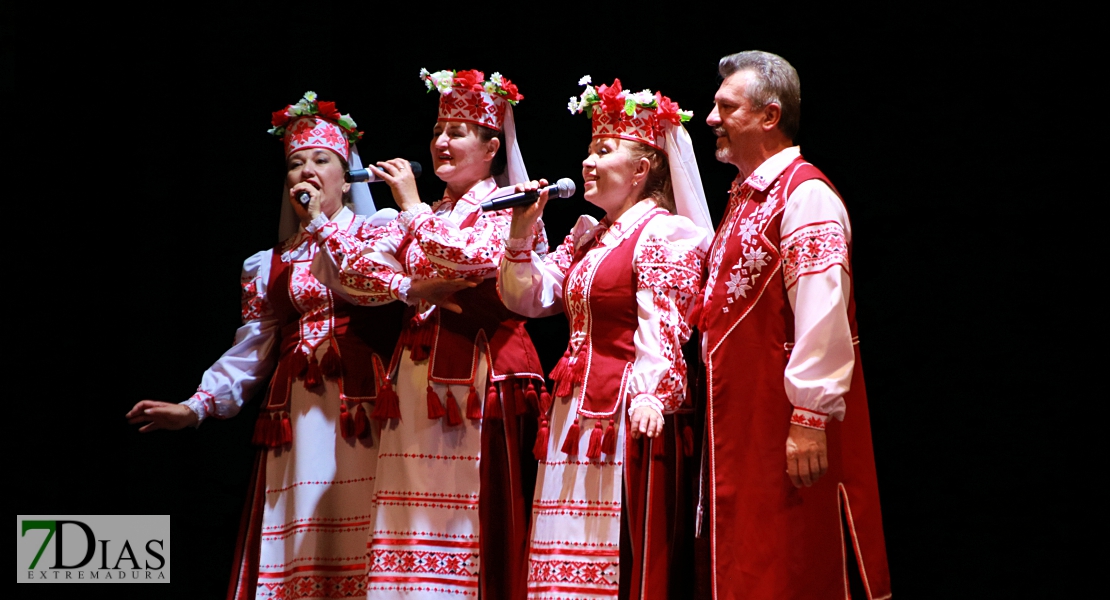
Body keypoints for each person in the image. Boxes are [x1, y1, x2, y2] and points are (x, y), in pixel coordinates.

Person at [126, 92, 405, 599]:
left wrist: (323, 228)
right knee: (301, 538)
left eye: (321, 160)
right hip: (297, 411)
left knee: (365, 531)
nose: (306, 172)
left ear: (347, 177)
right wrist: (196, 406)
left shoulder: (379, 234)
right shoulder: (268, 264)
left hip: (363, 407)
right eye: (296, 164)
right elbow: (255, 344)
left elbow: (371, 288)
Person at [306, 69, 546, 600]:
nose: (441, 141)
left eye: (458, 131)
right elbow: (355, 275)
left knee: (471, 518)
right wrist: (400, 281)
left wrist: (412, 209)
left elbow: (475, 259)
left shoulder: (516, 205)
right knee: (408, 516)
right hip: (416, 384)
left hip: (482, 378)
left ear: (490, 148)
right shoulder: (431, 212)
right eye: (438, 129)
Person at [499, 77, 712, 600]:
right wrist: (519, 233)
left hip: (622, 416)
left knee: (613, 554)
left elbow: (662, 321)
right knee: (564, 554)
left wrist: (651, 393)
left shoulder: (664, 233)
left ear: (642, 169)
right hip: (574, 419)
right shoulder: (591, 236)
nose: (588, 161)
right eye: (589, 149)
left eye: (604, 150)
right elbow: (527, 298)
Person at [696, 50, 892, 599]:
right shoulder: (745, 200)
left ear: (769, 115)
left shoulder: (805, 196)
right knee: (752, 562)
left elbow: (823, 309)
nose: (711, 118)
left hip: (786, 422)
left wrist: (809, 415)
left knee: (794, 562)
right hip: (745, 423)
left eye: (725, 106)